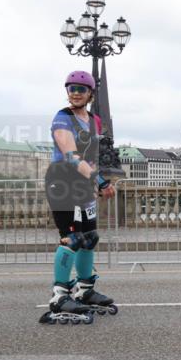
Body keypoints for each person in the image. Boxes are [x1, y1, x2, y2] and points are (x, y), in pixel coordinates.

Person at [40, 70, 117, 325]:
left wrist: (94, 180)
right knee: (71, 238)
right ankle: (60, 296)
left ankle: (85, 289)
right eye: (71, 88)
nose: (74, 93)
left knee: (89, 238)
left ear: (90, 94)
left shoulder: (94, 120)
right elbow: (72, 156)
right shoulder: (63, 118)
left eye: (80, 89)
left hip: (84, 185)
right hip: (63, 181)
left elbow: (91, 156)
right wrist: (101, 181)